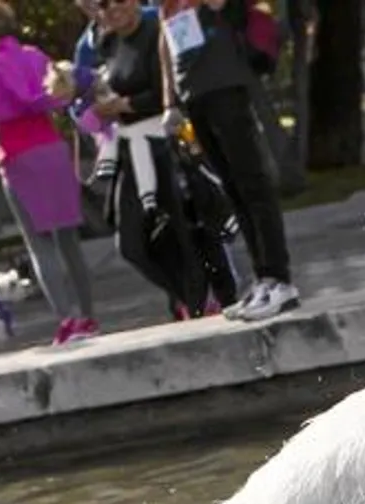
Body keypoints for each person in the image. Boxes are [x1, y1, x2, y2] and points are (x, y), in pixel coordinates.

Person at [63, 0, 240, 318]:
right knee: (131, 245)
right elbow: (99, 93)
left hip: (166, 145)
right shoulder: (104, 43)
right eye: (100, 5)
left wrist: (122, 105)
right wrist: (91, 108)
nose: (110, 9)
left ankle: (209, 301)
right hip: (131, 148)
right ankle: (188, 297)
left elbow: (168, 92)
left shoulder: (155, 28)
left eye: (117, 1)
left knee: (190, 233)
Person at [156, 0, 299, 321]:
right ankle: (263, 278)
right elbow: (164, 34)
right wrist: (170, 99)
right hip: (193, 92)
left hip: (225, 83)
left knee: (253, 184)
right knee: (233, 189)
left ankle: (280, 279)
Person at [0, 2, 102, 345]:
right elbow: (59, 92)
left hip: (18, 156)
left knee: (38, 243)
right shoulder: (36, 56)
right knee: (68, 239)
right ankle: (89, 315)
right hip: (52, 149)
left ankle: (67, 319)